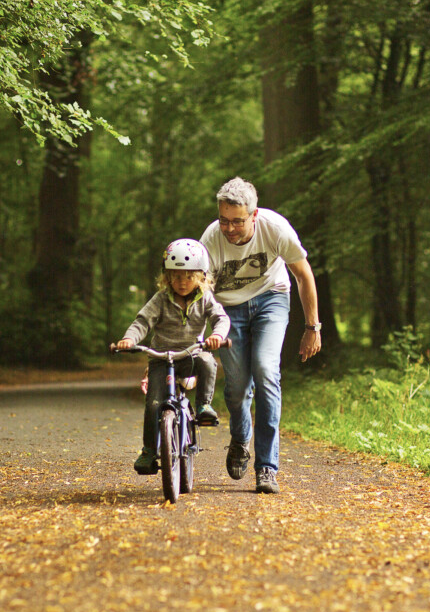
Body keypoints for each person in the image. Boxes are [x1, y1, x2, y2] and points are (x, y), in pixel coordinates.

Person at [200, 177, 321, 494]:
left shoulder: (275, 229)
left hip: (271, 300)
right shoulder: (211, 240)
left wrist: (312, 327)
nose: (229, 229)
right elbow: (200, 294)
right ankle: (240, 439)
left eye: (237, 221)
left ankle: (267, 467)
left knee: (267, 370)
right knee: (237, 388)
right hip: (228, 310)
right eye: (224, 220)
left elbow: (303, 274)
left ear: (253, 215)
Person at [113, 239, 231, 475]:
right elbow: (142, 322)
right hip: (162, 359)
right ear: (167, 277)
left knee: (208, 361)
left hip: (191, 355)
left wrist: (217, 335)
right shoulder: (160, 299)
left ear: (201, 277)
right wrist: (129, 339)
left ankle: (204, 405)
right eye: (176, 276)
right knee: (154, 404)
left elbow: (221, 318)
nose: (182, 282)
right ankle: (148, 451)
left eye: (189, 276)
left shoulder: (205, 298)